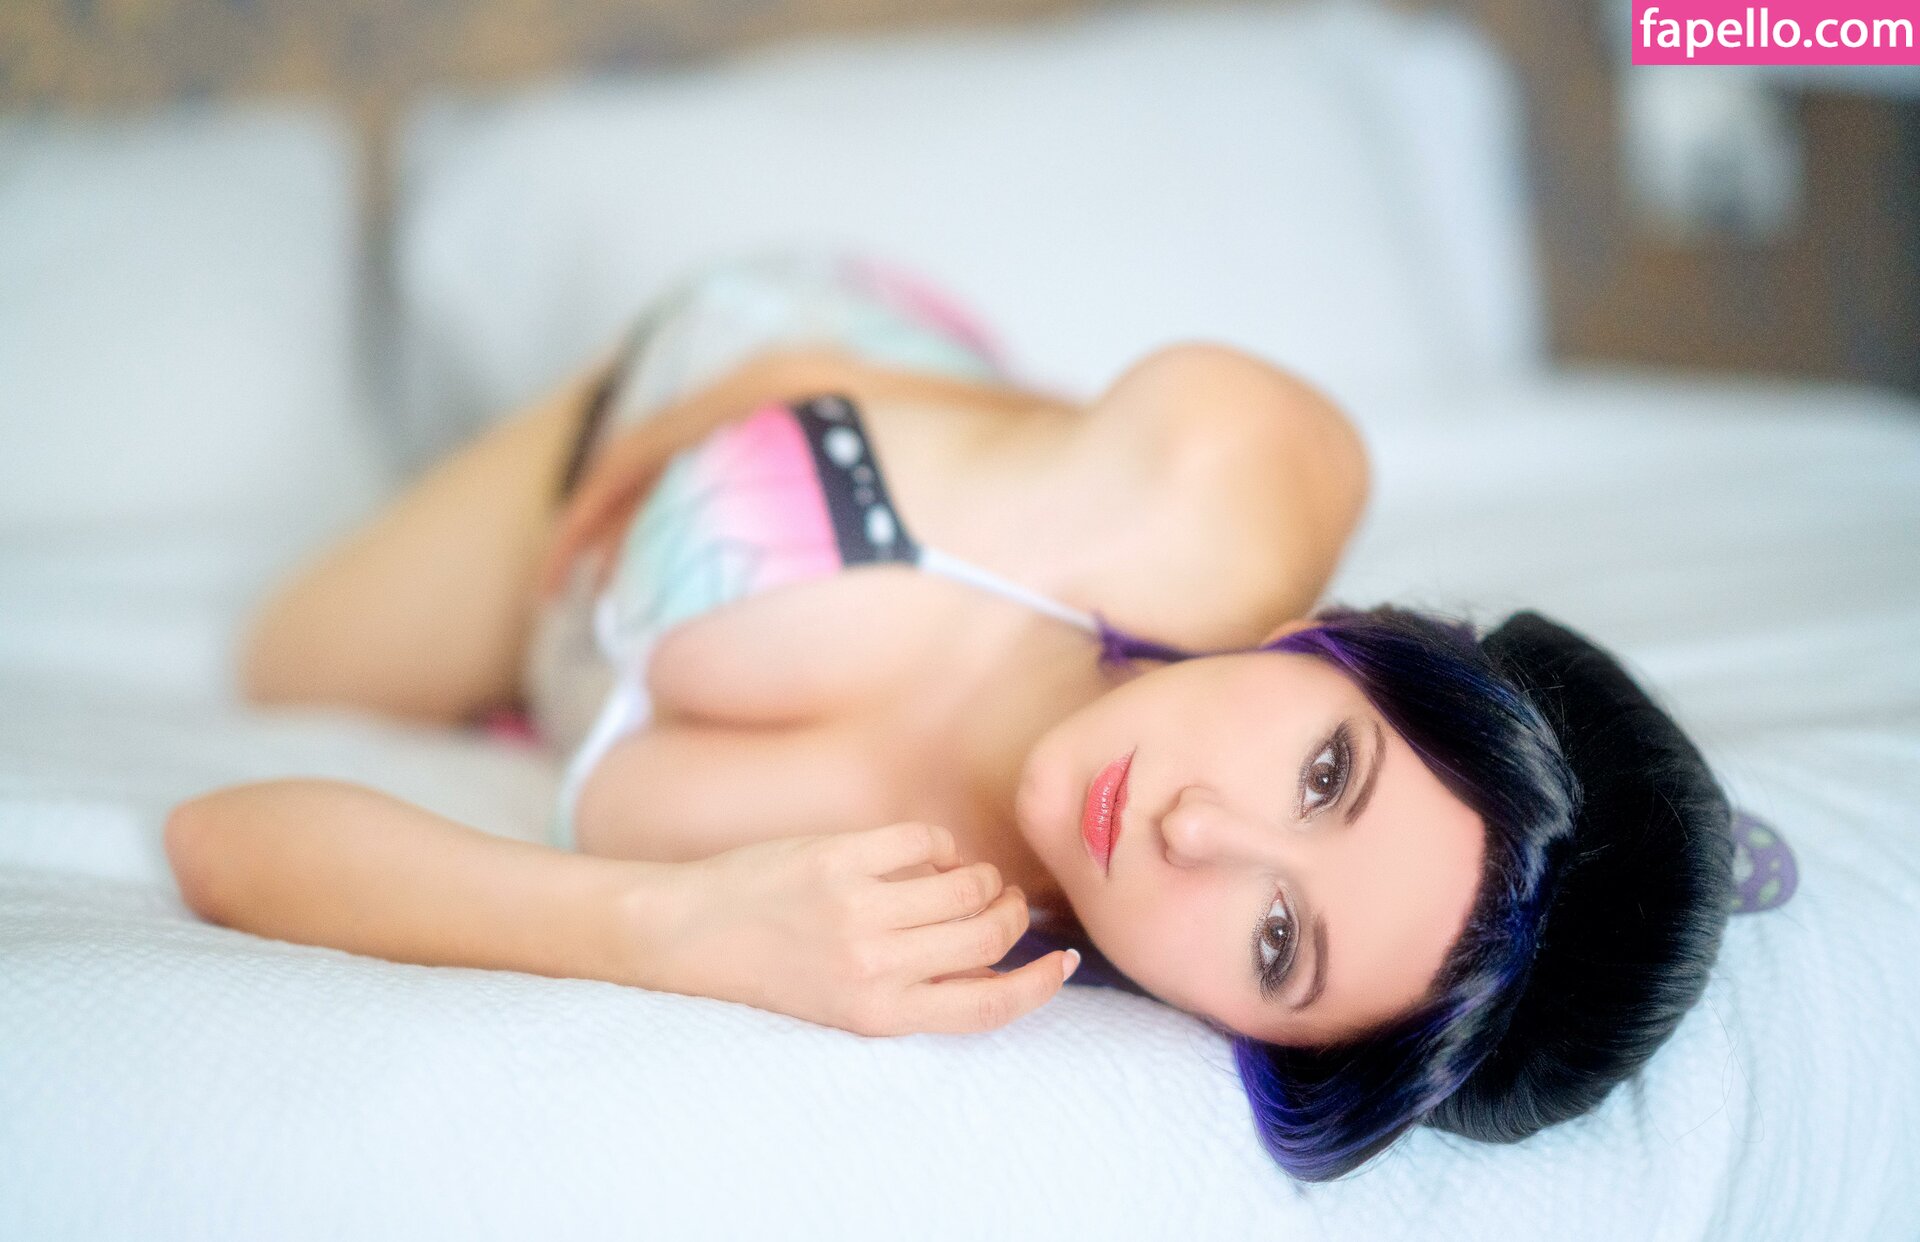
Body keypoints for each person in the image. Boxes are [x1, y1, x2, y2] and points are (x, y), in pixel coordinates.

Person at [164, 253, 1742, 1181]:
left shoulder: (915, 932)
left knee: (276, 674)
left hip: (559, 648)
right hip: (692, 402)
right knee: (273, 655)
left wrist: (671, 927)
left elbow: (224, 840)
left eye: (1278, 941)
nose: (1197, 829)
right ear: (1346, 645)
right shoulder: (1222, 483)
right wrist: (784, 383)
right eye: (1327, 768)